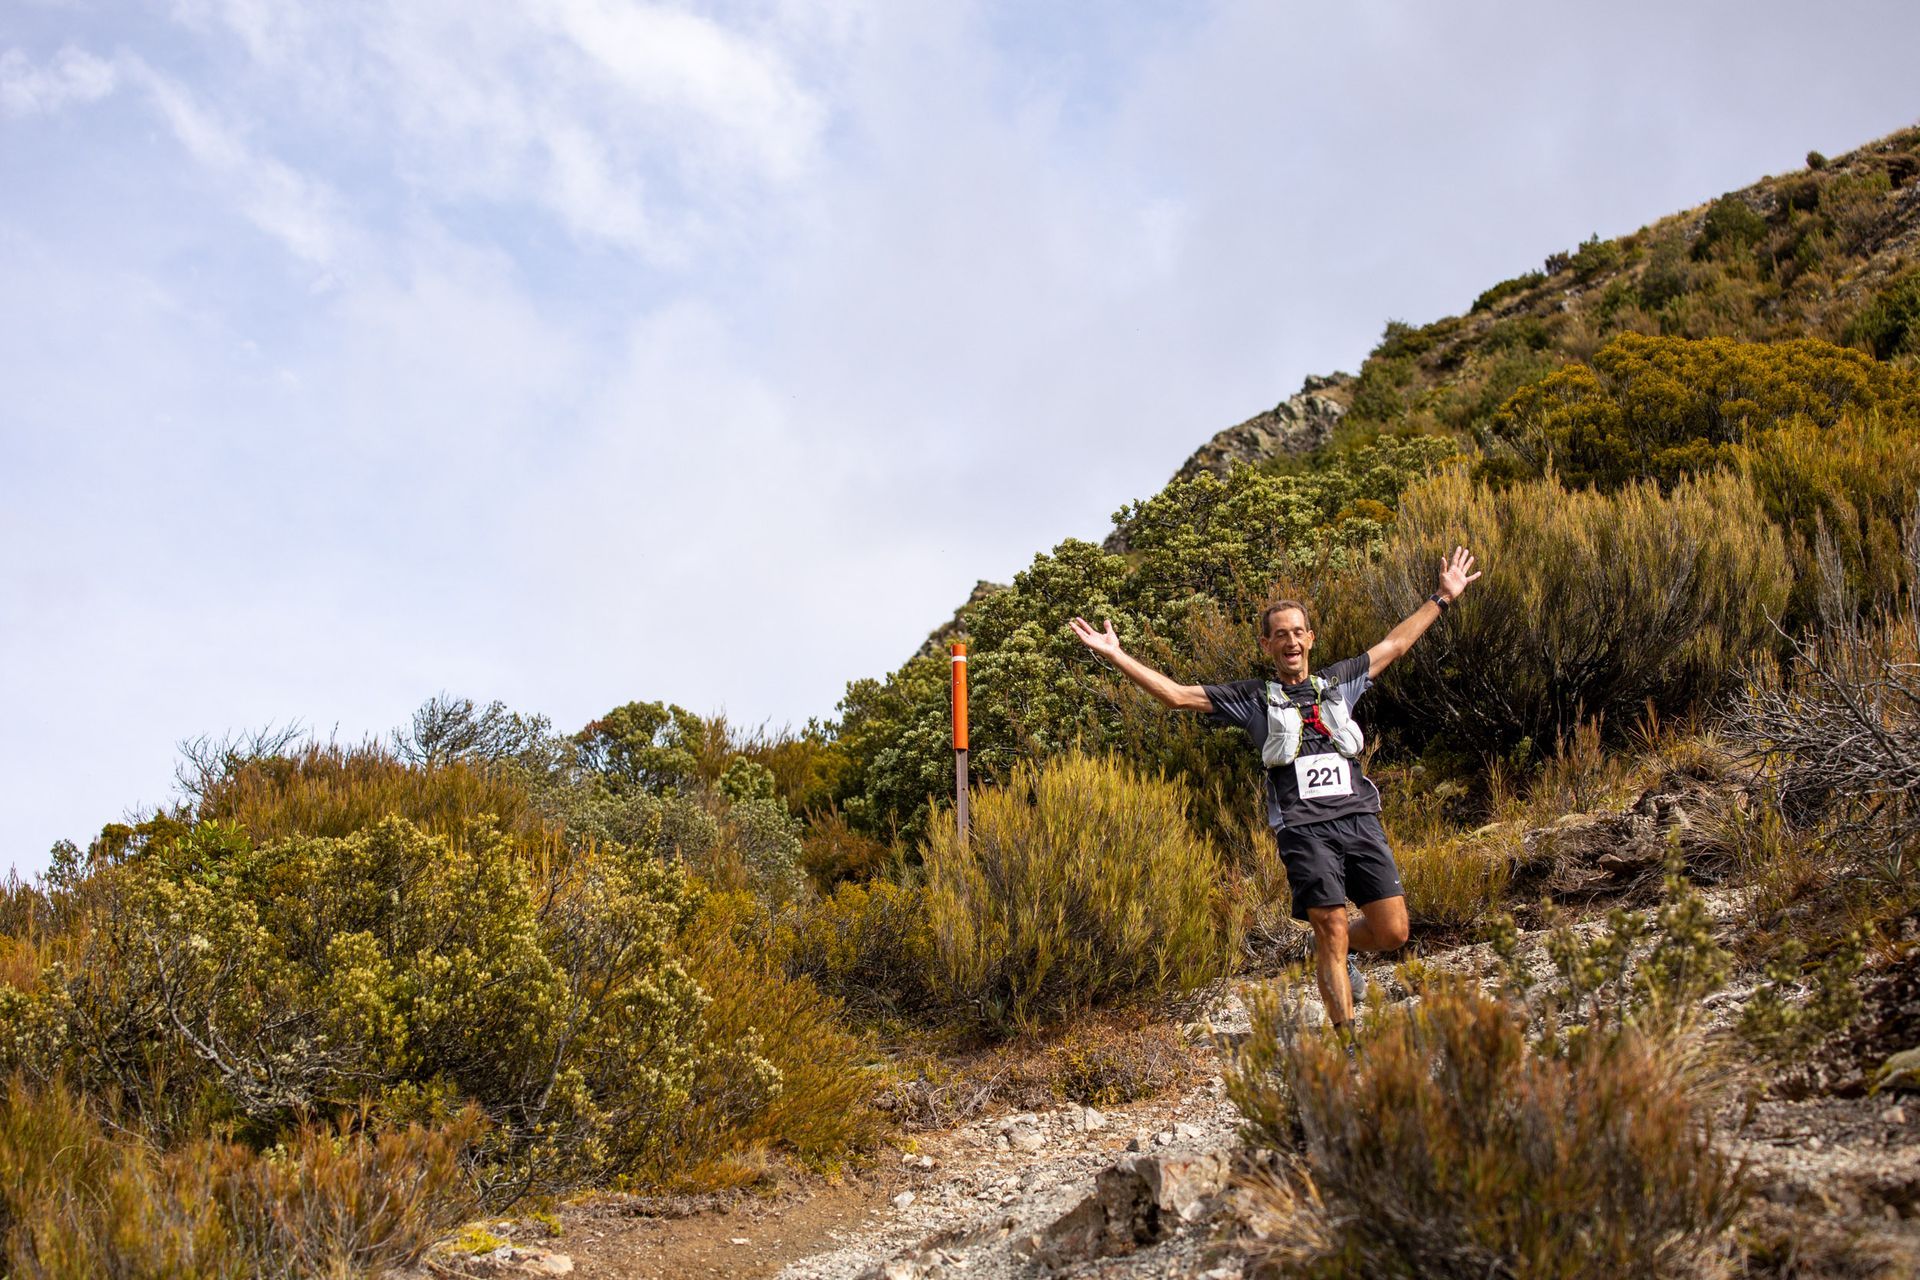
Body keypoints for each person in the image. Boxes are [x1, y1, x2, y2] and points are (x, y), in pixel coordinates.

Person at [1069, 547, 1480, 1036]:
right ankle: (1347, 1039)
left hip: (1359, 819)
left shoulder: (1339, 681)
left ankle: (1330, 951)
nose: (1290, 641)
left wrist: (1443, 597)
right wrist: (1116, 654)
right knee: (1329, 925)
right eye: (1279, 634)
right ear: (1267, 645)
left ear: (1310, 638)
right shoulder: (1251, 699)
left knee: (1393, 932)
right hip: (1303, 829)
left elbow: (1394, 645)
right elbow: (1176, 695)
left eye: (1297, 632)